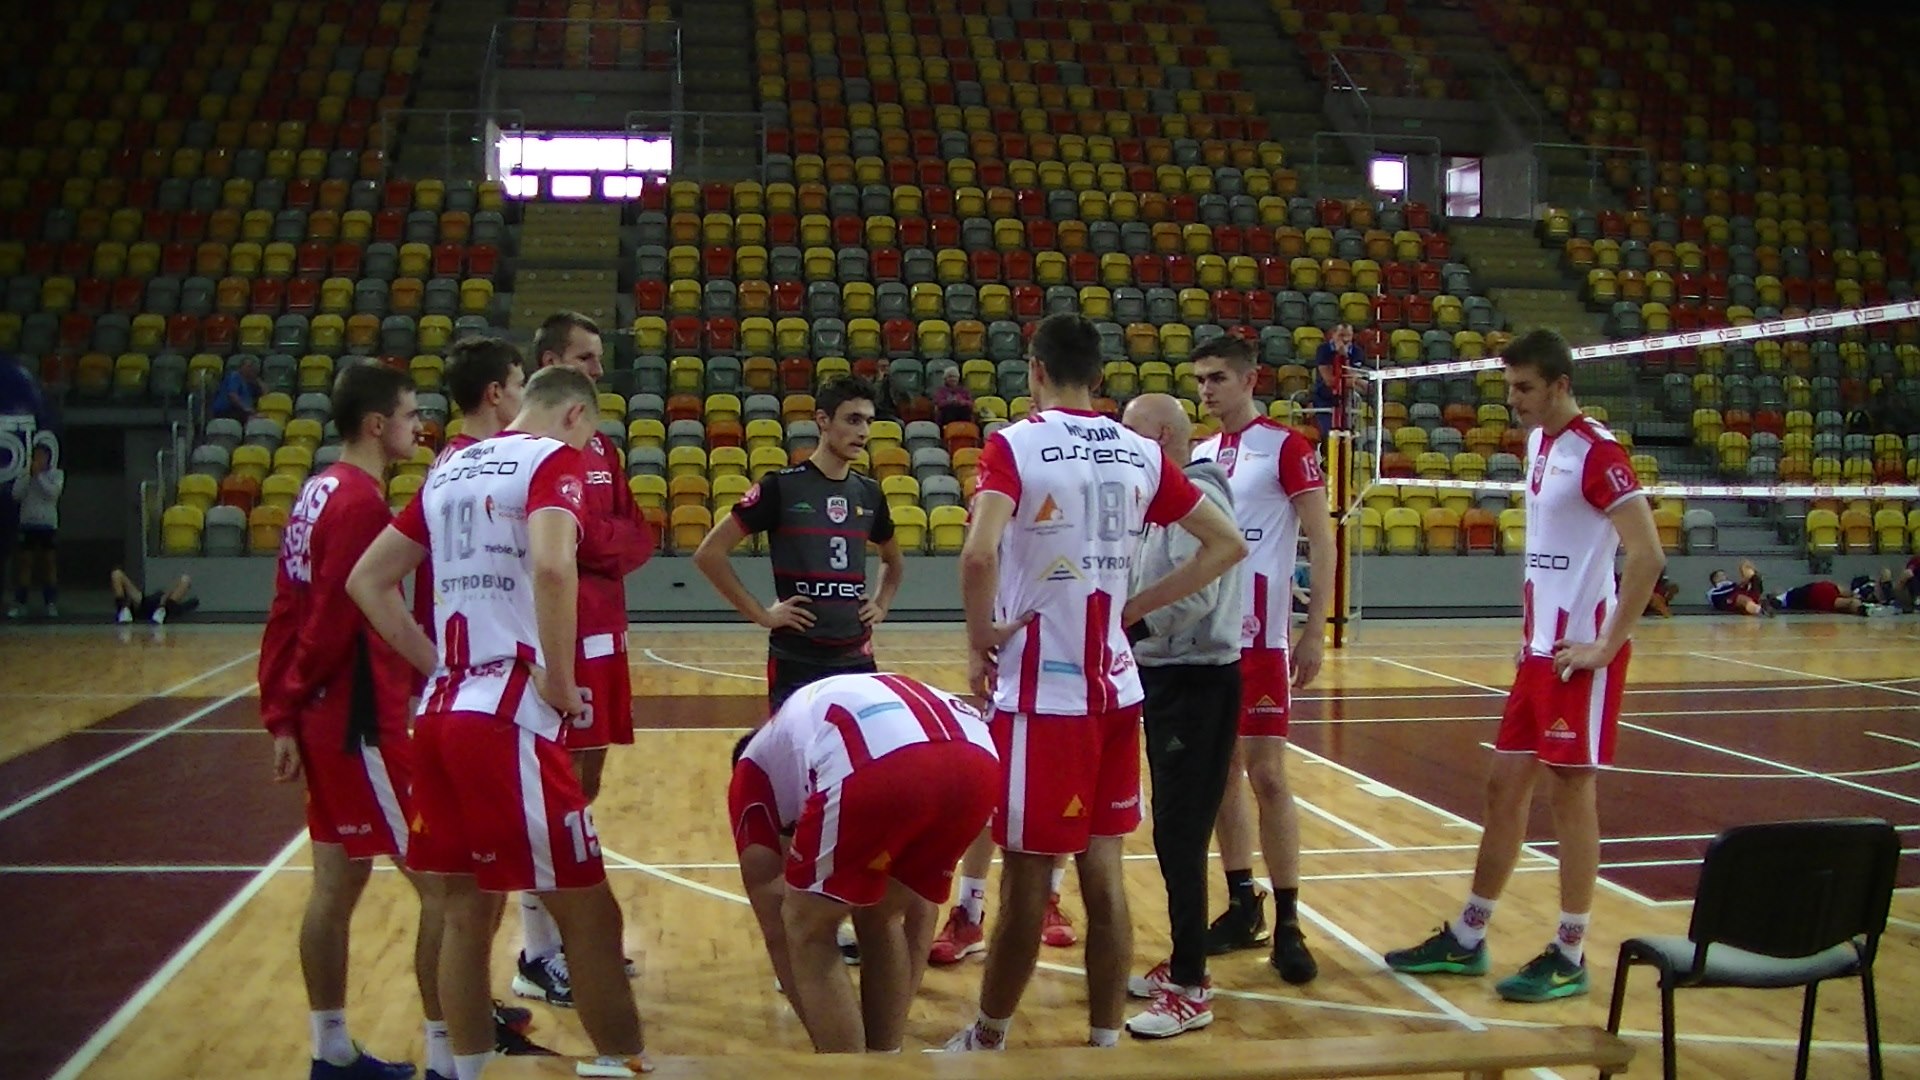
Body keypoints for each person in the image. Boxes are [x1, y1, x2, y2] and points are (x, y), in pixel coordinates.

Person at [945, 313, 1246, 1052]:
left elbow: (978, 556)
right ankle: (1106, 1039)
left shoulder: (1014, 443)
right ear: (1101, 377)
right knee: (1104, 872)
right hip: (1118, 689)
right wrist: (1132, 609)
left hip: (1044, 698)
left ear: (1034, 368)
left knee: (1024, 880)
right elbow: (1227, 544)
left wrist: (980, 640)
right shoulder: (1140, 450)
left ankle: (989, 1038)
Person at [346, 365, 651, 1080]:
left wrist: (434, 664)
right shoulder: (553, 460)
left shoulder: (449, 468)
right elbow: (553, 569)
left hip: (445, 711)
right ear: (576, 416)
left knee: (460, 908)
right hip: (507, 718)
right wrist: (557, 675)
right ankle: (620, 1065)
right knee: (590, 913)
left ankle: (466, 1069)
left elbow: (367, 580)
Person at [1385, 328, 1664, 1003]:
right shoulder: (1540, 444)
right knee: (1502, 789)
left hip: (1579, 658)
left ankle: (1569, 950)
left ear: (1561, 385)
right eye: (1510, 388)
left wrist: (1604, 646)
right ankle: (1469, 935)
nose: (1513, 401)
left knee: (1571, 796)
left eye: (1525, 388)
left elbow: (1649, 555)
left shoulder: (1599, 454)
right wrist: (1530, 627)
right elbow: (1549, 550)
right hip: (1539, 654)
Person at [257, 363, 446, 1080]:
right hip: (359, 719)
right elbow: (333, 620)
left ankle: (330, 1050)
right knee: (440, 885)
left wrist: (280, 710)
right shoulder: (362, 504)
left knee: (335, 885)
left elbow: (285, 607)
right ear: (377, 425)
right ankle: (444, 1053)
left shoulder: (315, 491)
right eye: (409, 414)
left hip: (321, 714)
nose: (417, 424)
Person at [730, 672, 998, 1053]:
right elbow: (920, 911)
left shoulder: (750, 773)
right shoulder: (801, 727)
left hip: (881, 762)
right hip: (978, 757)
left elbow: (776, 924)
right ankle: (886, 1061)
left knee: (805, 927)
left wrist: (827, 1029)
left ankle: (848, 1071)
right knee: (883, 914)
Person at [516, 312, 654, 1007]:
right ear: (553, 363)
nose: (601, 372)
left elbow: (635, 533)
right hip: (557, 637)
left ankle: (557, 939)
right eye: (587, 359)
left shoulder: (600, 445)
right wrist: (596, 544)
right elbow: (562, 550)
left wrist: (594, 543)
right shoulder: (530, 456)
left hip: (607, 630)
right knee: (551, 788)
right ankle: (538, 948)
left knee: (586, 775)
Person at [1190, 335, 1337, 986]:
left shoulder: (1286, 447)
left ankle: (1290, 919)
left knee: (1268, 776)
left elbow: (1322, 538)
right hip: (1207, 642)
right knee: (1219, 776)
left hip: (1263, 642)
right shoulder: (1199, 454)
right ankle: (1241, 899)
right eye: (1200, 380)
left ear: (1251, 379)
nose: (1207, 389)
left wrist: (1314, 629)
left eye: (1218, 377)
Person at [1117, 393, 1248, 1039]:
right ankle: (1185, 962)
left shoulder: (1200, 497)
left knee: (1182, 833)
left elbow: (1206, 582)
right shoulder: (1160, 502)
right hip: (1171, 674)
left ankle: (1192, 988)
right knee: (1173, 831)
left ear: (1163, 435)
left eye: (1132, 434)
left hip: (1199, 680)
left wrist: (1134, 619)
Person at [693, 375, 906, 713]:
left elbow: (893, 561)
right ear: (822, 420)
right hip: (797, 658)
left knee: (859, 761)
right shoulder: (781, 487)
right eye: (852, 420)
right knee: (795, 761)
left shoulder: (869, 493)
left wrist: (881, 603)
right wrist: (762, 615)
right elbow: (709, 554)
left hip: (856, 657)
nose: (863, 432)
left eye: (868, 421)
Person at [7, 444, 62, 618]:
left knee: (49, 564)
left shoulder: (56, 474)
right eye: (35, 455)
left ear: (48, 457)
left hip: (47, 524)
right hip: (28, 524)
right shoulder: (25, 473)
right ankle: (20, 603)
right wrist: (29, 476)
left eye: (41, 456)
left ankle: (50, 603)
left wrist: (39, 476)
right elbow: (16, 494)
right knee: (25, 564)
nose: (37, 459)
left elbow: (52, 493)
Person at [1311, 322, 1357, 441]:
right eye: (1342, 335)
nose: (1346, 339)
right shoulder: (1323, 350)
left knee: (1348, 438)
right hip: (1324, 398)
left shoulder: (1357, 351)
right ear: (1333, 335)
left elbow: (1352, 380)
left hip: (1348, 400)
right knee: (1329, 436)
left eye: (1349, 335)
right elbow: (1329, 381)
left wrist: (1345, 357)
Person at [110, 567, 199, 625]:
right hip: (144, 603)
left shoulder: (178, 607)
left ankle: (161, 610)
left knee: (185, 579)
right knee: (117, 573)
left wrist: (164, 601)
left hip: (164, 606)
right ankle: (123, 610)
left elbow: (190, 599)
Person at [1707, 562, 1773, 617]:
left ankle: (1756, 578)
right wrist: (1740, 585)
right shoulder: (1713, 591)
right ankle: (1760, 610)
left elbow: (1740, 588)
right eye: (1720, 575)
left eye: (1724, 575)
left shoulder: (1733, 584)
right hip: (1728, 600)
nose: (1724, 577)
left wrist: (1747, 581)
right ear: (1715, 579)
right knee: (1741, 598)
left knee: (1745, 566)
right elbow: (1718, 596)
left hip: (1739, 595)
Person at [213, 354, 264, 422]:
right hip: (227, 412)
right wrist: (246, 408)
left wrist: (257, 379)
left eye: (252, 366)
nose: (250, 368)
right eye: (248, 366)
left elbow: (265, 393)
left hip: (240, 413)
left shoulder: (250, 383)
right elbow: (232, 395)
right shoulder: (235, 377)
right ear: (241, 366)